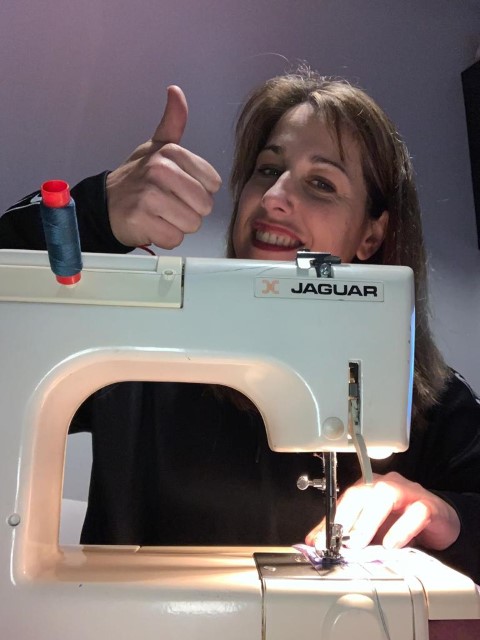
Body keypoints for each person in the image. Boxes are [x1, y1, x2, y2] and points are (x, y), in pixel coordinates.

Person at [1, 69, 480, 583]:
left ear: (371, 235)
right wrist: (94, 214)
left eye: (321, 184)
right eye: (266, 169)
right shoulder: (136, 349)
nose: (273, 196)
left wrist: (447, 517)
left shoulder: (430, 398)